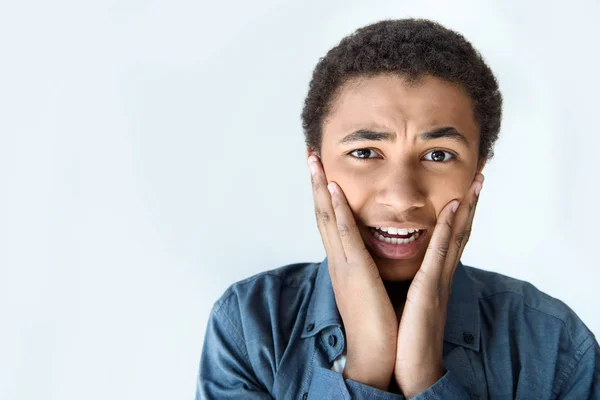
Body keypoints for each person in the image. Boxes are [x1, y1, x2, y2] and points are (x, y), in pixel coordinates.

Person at [196, 19, 600, 399]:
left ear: (478, 169)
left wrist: (425, 375)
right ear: (316, 165)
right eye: (366, 151)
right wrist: (368, 360)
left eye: (439, 155)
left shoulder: (556, 344)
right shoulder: (250, 327)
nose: (403, 196)